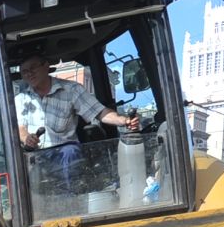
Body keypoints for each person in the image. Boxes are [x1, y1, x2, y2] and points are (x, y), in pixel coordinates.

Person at [13, 53, 143, 196]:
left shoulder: (71, 90)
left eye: (33, 68)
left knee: (70, 153)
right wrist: (27, 139)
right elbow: (20, 128)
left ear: (46, 66)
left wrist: (123, 121)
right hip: (36, 157)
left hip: (65, 154)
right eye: (24, 72)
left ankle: (74, 201)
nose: (29, 74)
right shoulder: (21, 99)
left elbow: (99, 112)